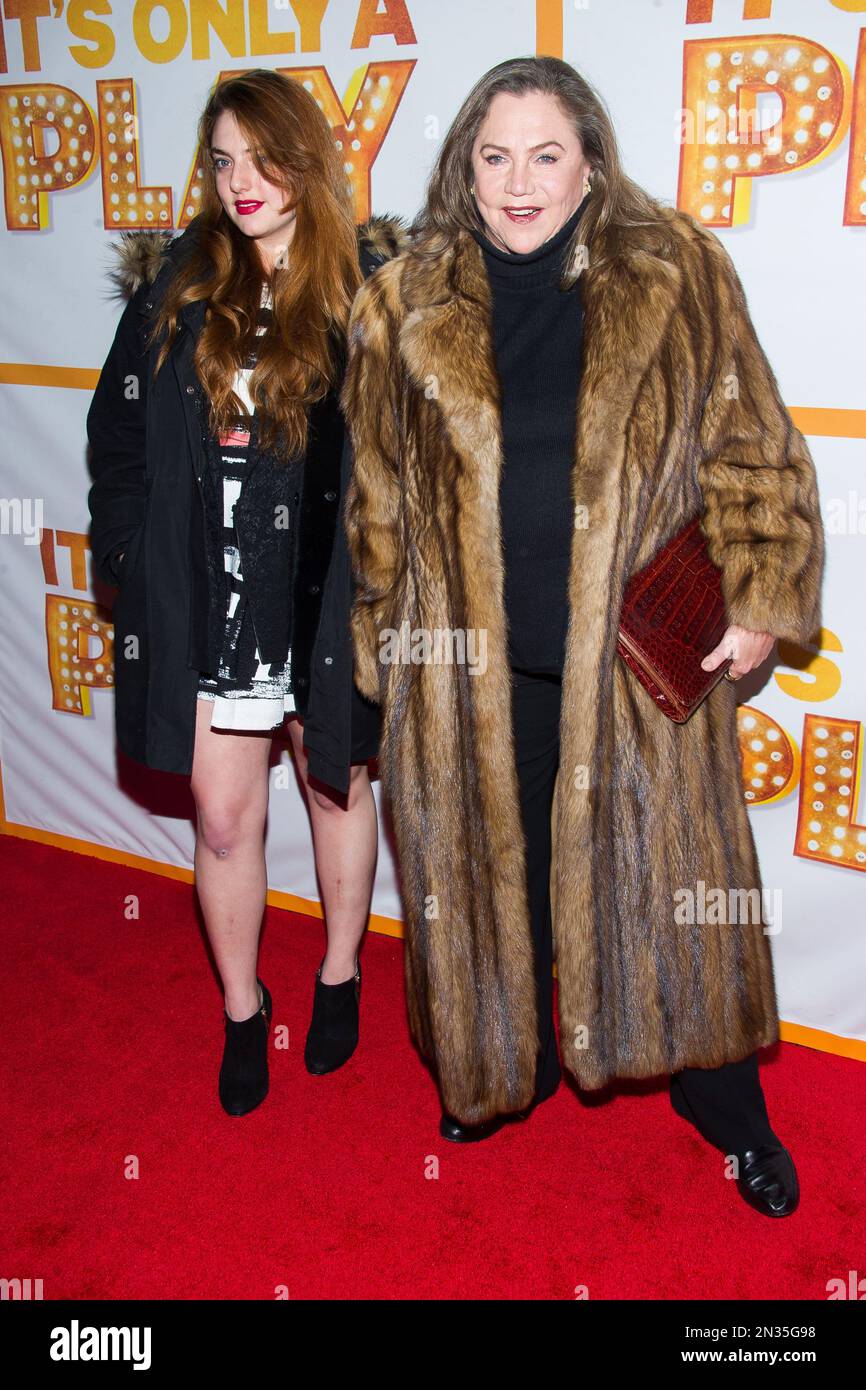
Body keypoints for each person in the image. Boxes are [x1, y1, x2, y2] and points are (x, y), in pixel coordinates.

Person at [340, 56, 824, 1217]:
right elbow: (376, 503)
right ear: (464, 165)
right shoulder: (399, 305)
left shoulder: (679, 275)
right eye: (493, 155)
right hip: (474, 678)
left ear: (589, 163)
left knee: (676, 899)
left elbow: (753, 449)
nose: (518, 182)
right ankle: (502, 1067)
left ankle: (727, 1110)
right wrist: (373, 656)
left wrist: (760, 594)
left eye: (544, 153)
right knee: (496, 895)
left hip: (632, 676)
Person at [87, 69, 408, 1117]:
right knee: (222, 822)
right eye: (221, 160)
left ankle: (339, 973)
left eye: (261, 157)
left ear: (304, 159)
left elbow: (411, 459)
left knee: (335, 787)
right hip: (210, 601)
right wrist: (131, 559)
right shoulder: (175, 290)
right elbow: (119, 441)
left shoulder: (368, 292)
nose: (240, 181)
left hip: (320, 596)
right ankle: (238, 1006)